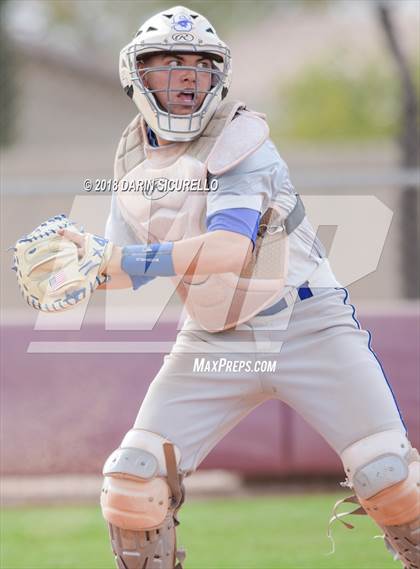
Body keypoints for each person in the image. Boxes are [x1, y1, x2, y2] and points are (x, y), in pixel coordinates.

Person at [60, 6, 419, 569]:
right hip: (214, 339)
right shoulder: (130, 160)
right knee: (134, 483)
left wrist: (119, 258)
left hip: (307, 325)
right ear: (136, 75)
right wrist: (80, 273)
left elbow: (229, 250)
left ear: (217, 79)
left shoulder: (243, 138)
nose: (185, 77)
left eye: (199, 66)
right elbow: (125, 268)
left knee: (390, 480)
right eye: (168, 63)